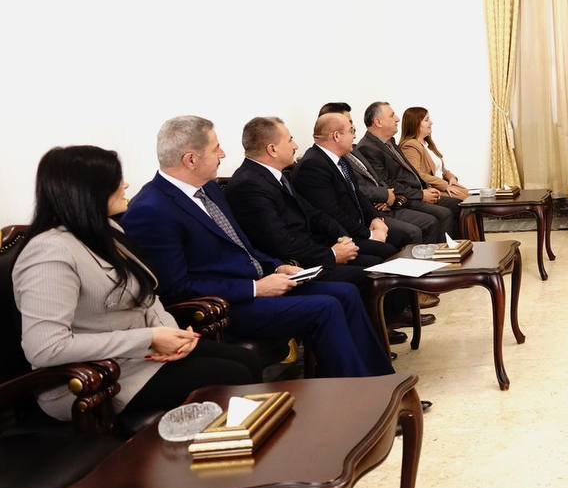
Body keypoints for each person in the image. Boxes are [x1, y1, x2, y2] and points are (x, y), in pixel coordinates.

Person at [122, 116, 394, 379]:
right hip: (225, 306)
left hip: (259, 284)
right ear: (191, 159)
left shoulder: (210, 190)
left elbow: (244, 246)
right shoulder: (152, 209)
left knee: (346, 292)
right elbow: (175, 289)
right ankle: (353, 391)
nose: (223, 154)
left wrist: (277, 267)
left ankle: (379, 378)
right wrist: (254, 288)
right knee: (326, 306)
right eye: (216, 148)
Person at [13, 145, 259, 422]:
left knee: (248, 360)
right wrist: (149, 338)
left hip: (143, 355)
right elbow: (46, 348)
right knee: (234, 375)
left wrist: (173, 335)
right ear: (88, 191)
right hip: (94, 379)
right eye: (116, 180)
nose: (126, 185)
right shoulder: (49, 252)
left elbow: (147, 296)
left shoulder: (108, 230)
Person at [225, 117, 399, 277]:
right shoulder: (248, 185)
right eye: (290, 140)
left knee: (383, 254)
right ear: (272, 149)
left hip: (315, 247)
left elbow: (313, 213)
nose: (295, 146)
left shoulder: (273, 175)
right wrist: (331, 254)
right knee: (370, 270)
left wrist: (343, 238)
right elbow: (279, 242)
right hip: (295, 264)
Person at [314, 104, 443, 244]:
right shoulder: (335, 159)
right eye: (350, 126)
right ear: (334, 132)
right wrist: (384, 196)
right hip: (370, 211)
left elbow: (376, 179)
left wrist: (386, 195)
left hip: (386, 203)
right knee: (420, 227)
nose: (354, 132)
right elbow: (353, 190)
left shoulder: (354, 150)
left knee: (435, 218)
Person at [357, 102, 459, 238]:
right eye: (392, 115)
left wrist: (426, 188)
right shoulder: (368, 148)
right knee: (443, 214)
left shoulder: (390, 142)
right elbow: (387, 183)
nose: (397, 119)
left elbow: (411, 172)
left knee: (456, 204)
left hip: (414, 192)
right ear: (378, 122)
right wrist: (421, 194)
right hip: (403, 198)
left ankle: (457, 247)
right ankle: (444, 249)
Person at [399, 106, 469, 200]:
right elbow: (417, 174)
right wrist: (445, 185)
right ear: (415, 123)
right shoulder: (410, 145)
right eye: (426, 120)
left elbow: (442, 170)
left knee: (474, 197)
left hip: (442, 185)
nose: (431, 122)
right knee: (467, 201)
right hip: (431, 189)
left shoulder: (427, 144)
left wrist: (451, 178)